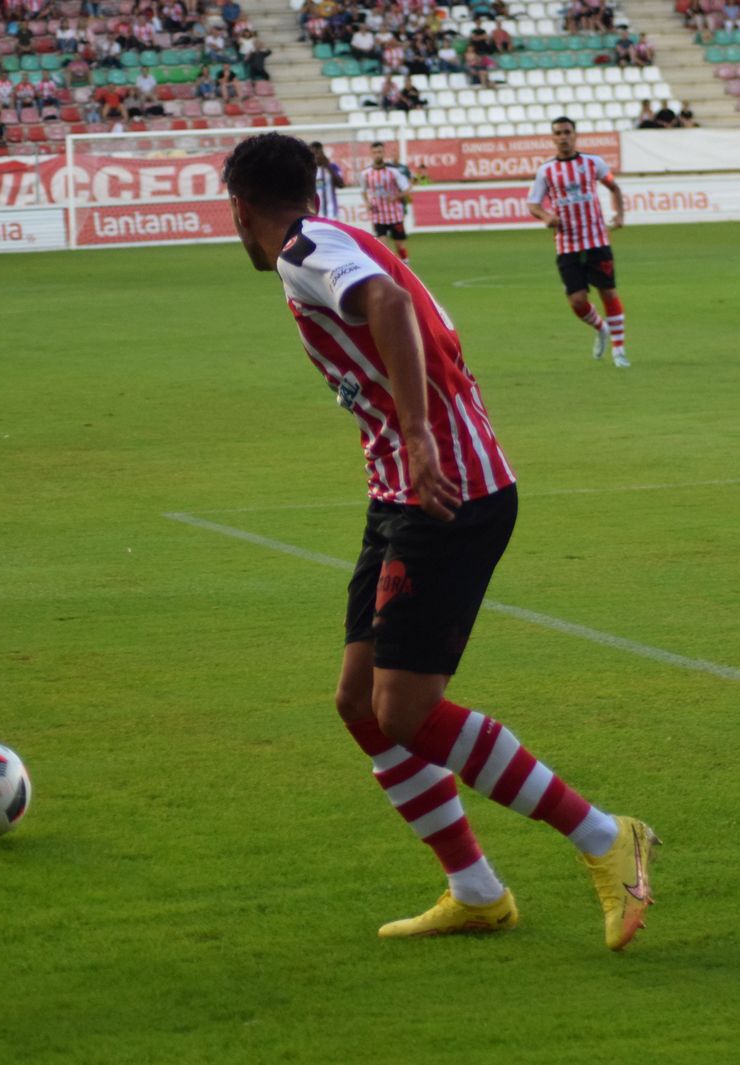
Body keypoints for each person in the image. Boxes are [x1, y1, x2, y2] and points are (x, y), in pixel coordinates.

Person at [218, 132, 659, 949]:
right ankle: (477, 890)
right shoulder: (336, 238)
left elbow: (385, 305)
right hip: (402, 491)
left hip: (447, 493)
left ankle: (606, 837)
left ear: (238, 207)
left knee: (405, 710)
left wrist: (418, 436)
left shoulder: (303, 249)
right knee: (360, 702)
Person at [527, 116, 629, 368]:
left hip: (596, 239)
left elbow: (613, 187)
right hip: (567, 243)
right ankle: (601, 328)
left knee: (609, 292)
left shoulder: (593, 163)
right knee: (577, 301)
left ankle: (619, 350)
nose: (563, 137)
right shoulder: (546, 170)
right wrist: (546, 216)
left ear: (575, 135)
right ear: (552, 138)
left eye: (567, 132)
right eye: (558, 133)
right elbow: (533, 204)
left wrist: (620, 214)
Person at [362, 140, 411, 262]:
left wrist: (396, 196)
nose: (377, 155)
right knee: (382, 246)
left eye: (379, 152)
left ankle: (406, 263)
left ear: (383, 153)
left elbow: (407, 189)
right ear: (371, 154)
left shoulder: (394, 171)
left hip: (395, 214)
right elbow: (364, 190)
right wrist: (367, 202)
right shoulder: (366, 173)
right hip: (378, 215)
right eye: (375, 152)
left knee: (400, 245)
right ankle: (392, 267)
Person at [309, 139, 343, 216]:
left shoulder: (333, 167)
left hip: (331, 211)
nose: (317, 156)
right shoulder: (308, 170)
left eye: (318, 152)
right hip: (314, 212)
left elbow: (341, 185)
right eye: (313, 154)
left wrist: (327, 165)